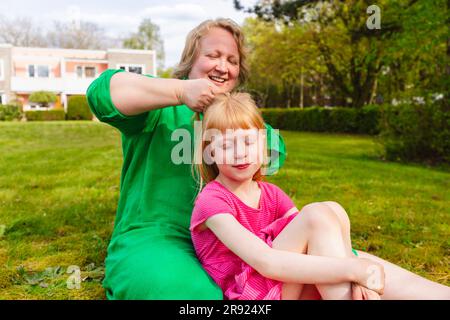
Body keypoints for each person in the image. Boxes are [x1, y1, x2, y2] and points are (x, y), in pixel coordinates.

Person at [87, 18, 450, 299]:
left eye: (232, 60)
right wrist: (182, 91)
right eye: (212, 54)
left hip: (248, 242)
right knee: (189, 293)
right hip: (162, 237)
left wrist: (230, 121)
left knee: (340, 256)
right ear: (189, 61)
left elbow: (268, 167)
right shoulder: (159, 109)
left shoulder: (245, 130)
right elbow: (103, 93)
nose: (222, 65)